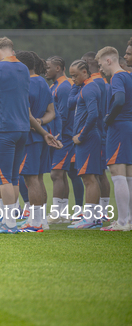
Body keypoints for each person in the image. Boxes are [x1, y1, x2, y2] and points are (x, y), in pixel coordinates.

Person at [0, 37, 60, 234]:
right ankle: (19, 220)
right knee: (15, 178)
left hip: (5, 128)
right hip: (23, 130)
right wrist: (44, 132)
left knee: (4, 178)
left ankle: (9, 223)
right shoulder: (23, 70)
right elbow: (27, 109)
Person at [16, 51, 55, 232]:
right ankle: (42, 220)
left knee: (31, 180)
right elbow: (51, 113)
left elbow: (28, 114)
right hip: (41, 135)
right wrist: (41, 123)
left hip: (31, 137)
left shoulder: (25, 83)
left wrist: (35, 123)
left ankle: (35, 222)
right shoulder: (42, 82)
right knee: (38, 179)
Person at [96, 47, 132, 231]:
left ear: (109, 61)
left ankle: (123, 222)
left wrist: (108, 119)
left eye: (101, 64)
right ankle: (129, 220)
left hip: (119, 127)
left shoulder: (117, 77)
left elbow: (119, 100)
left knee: (118, 176)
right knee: (128, 176)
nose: (100, 68)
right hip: (129, 127)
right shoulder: (129, 75)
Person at [45, 56, 84, 223]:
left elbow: (65, 114)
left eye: (48, 67)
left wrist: (58, 135)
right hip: (60, 135)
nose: (46, 70)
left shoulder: (64, 86)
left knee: (56, 173)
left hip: (65, 137)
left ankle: (57, 213)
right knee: (62, 173)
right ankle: (62, 213)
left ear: (58, 68)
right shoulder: (55, 86)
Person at [67, 59, 103, 229]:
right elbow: (70, 103)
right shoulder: (84, 87)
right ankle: (94, 218)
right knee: (89, 177)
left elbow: (94, 115)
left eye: (75, 76)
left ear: (85, 72)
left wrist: (81, 136)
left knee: (89, 178)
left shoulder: (89, 88)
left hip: (88, 138)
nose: (72, 79)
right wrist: (76, 83)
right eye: (71, 76)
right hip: (86, 138)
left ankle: (89, 218)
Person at [81, 52, 111, 220]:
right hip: (101, 132)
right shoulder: (101, 82)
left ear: (86, 63)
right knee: (99, 173)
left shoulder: (96, 83)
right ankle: (101, 211)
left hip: (98, 133)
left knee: (97, 174)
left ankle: (102, 212)